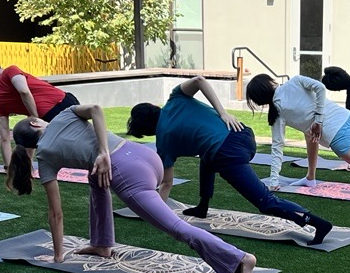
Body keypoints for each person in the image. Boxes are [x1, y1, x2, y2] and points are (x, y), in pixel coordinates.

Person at [6, 104, 257, 273]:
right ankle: (102, 244)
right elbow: (95, 109)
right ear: (37, 124)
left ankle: (240, 258)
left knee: (176, 227)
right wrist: (103, 152)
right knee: (96, 176)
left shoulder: (45, 156)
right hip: (144, 156)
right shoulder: (63, 115)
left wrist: (58, 255)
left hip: (128, 173)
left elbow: (56, 214)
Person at [126, 76, 335, 246]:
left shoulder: (164, 142)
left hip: (228, 153)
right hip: (243, 134)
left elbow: (167, 183)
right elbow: (199, 80)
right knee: (207, 157)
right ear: (154, 107)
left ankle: (316, 223)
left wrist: (154, 212)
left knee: (265, 202)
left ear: (146, 131)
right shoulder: (175, 98)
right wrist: (223, 112)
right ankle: (202, 206)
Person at [245, 73, 350, 188]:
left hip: (340, 137)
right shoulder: (295, 81)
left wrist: (274, 180)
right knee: (309, 132)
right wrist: (317, 121)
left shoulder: (278, 112)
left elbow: (277, 146)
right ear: (271, 82)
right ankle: (310, 177)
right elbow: (320, 87)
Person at [0, 62, 80, 168]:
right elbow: (24, 91)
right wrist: (35, 117)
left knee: (67, 142)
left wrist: (8, 166)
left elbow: (4, 138)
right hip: (64, 103)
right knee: (83, 138)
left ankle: (25, 165)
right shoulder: (10, 71)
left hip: (47, 118)